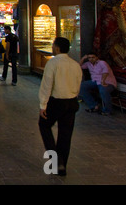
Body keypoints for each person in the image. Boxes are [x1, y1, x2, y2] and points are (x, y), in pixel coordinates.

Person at [38, 37, 82, 176]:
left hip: (57, 102)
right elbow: (78, 84)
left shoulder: (53, 63)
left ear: (57, 48)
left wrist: (43, 104)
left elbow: (47, 85)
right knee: (65, 134)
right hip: (72, 102)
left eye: (53, 46)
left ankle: (55, 159)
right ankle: (62, 165)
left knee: (44, 125)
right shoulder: (75, 64)